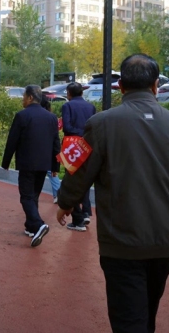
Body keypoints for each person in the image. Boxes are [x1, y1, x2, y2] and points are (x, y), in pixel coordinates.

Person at [56, 54, 169, 332]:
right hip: (166, 239)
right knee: (148, 309)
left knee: (128, 317)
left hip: (121, 240)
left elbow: (80, 172)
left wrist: (65, 202)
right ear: (156, 85)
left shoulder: (102, 124)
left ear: (120, 86)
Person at [2, 85, 61, 248]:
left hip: (27, 163)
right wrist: (56, 165)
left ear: (29, 98)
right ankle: (30, 226)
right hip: (44, 164)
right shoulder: (51, 118)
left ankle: (38, 224)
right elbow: (56, 143)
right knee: (34, 195)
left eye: (23, 97)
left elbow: (12, 140)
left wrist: (6, 161)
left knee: (26, 196)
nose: (22, 100)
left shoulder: (22, 116)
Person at [61, 81, 96, 231]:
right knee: (85, 178)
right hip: (88, 146)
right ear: (82, 92)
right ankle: (86, 211)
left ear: (69, 93)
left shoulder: (67, 106)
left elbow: (67, 127)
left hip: (72, 146)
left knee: (72, 178)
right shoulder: (91, 107)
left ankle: (78, 219)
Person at [39, 95, 61, 204]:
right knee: (52, 173)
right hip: (50, 149)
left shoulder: (36, 115)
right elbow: (55, 138)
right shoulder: (52, 117)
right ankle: (58, 194)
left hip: (39, 150)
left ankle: (58, 194)